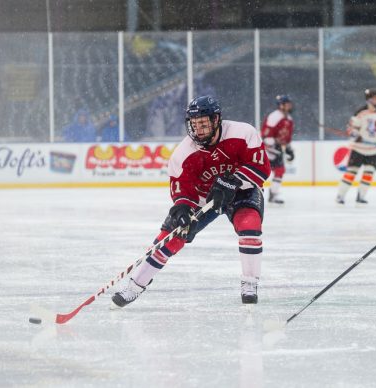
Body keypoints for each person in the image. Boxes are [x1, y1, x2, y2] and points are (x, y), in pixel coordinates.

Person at [111, 95, 271, 308]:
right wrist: (183, 207)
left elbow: (261, 168)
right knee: (171, 236)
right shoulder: (183, 153)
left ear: (216, 120)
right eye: (194, 125)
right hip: (204, 198)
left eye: (204, 124)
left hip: (242, 191)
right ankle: (135, 285)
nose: (199, 130)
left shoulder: (243, 133)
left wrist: (233, 181)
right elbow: (182, 190)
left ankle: (250, 283)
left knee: (249, 226)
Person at [336, 89, 376, 205]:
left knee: (369, 173)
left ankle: (361, 196)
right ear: (369, 100)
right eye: (375, 98)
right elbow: (351, 127)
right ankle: (340, 195)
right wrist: (355, 134)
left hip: (373, 150)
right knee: (352, 172)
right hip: (358, 149)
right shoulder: (360, 113)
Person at [260, 94, 295, 204]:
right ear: (281, 105)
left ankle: (273, 194)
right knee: (260, 172)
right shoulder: (274, 116)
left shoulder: (289, 119)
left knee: (280, 170)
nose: (290, 106)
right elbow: (266, 135)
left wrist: (289, 149)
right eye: (287, 104)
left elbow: (287, 137)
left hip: (277, 147)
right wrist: (272, 146)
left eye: (290, 104)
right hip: (267, 148)